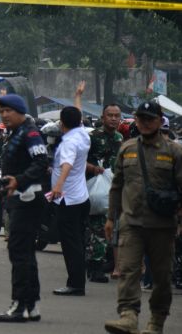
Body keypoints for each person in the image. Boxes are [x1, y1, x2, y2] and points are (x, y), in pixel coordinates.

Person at [104, 100, 182, 334]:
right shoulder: (126, 148)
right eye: (141, 118)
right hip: (132, 224)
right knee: (128, 271)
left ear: (159, 121)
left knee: (161, 277)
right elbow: (116, 186)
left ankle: (156, 321)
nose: (145, 123)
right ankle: (128, 316)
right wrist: (110, 218)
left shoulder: (174, 151)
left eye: (150, 119)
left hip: (162, 226)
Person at [0, 94, 48, 323]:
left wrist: (19, 180)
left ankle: (19, 305)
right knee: (25, 253)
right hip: (19, 198)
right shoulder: (16, 133)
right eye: (2, 111)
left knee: (19, 252)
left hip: (27, 198)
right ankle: (32, 305)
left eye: (9, 111)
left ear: (20, 111)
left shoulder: (30, 133)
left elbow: (42, 163)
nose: (5, 115)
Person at [50, 106, 91, 296]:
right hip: (81, 198)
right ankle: (78, 281)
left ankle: (75, 284)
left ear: (61, 123)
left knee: (70, 244)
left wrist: (58, 185)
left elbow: (68, 163)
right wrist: (78, 96)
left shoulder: (69, 142)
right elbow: (78, 115)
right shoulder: (82, 134)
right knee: (78, 241)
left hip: (68, 200)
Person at [85, 102, 123, 283]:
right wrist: (93, 168)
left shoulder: (119, 138)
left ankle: (104, 261)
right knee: (99, 227)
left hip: (113, 187)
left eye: (117, 115)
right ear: (103, 117)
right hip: (95, 187)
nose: (114, 119)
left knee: (113, 227)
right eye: (110, 115)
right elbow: (77, 161)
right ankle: (94, 268)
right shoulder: (91, 137)